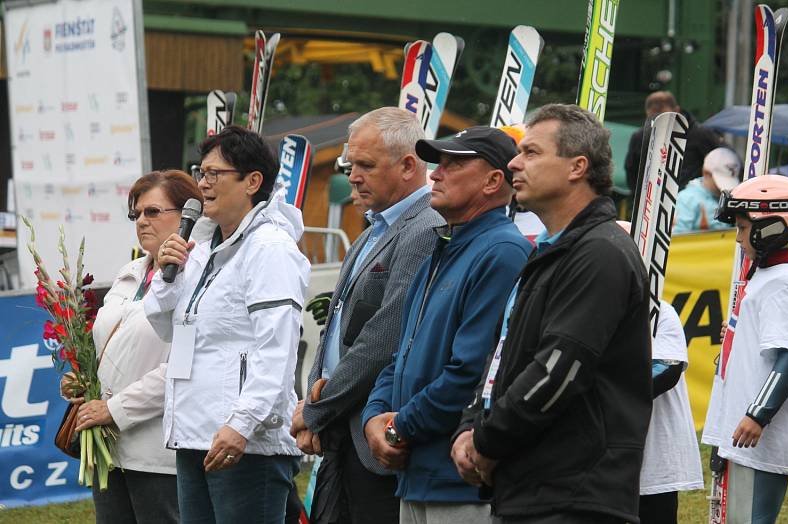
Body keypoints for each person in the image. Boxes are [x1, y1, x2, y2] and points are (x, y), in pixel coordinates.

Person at [451, 104, 652, 523]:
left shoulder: (599, 252)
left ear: (577, 167)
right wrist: (469, 427)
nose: (513, 162)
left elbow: (559, 370)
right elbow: (502, 357)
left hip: (575, 495)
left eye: (532, 152)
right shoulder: (548, 249)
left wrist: (486, 441)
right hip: (530, 488)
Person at [362, 126, 532, 524]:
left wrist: (397, 427)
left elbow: (471, 371)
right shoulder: (441, 249)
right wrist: (374, 417)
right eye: (438, 163)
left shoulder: (504, 251)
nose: (435, 173)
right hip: (416, 474)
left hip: (461, 481)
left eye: (453, 164)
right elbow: (398, 357)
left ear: (493, 180)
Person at [144, 125, 310, 524]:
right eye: (201, 172)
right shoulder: (204, 247)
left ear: (253, 181)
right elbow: (171, 331)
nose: (203, 183)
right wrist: (168, 274)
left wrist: (242, 423)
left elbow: (278, 348)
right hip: (194, 434)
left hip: (244, 444)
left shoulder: (270, 248)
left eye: (215, 174)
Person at [291, 107, 444, 524]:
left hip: (378, 437)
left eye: (365, 165)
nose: (351, 176)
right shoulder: (374, 230)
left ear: (409, 165)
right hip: (342, 429)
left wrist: (315, 410)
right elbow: (333, 333)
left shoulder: (424, 228)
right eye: (349, 164)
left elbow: (383, 339)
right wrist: (315, 404)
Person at [61, 170, 202, 523]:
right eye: (136, 213)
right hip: (109, 446)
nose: (141, 221)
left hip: (160, 449)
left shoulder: (199, 275)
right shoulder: (130, 273)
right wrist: (81, 380)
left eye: (153, 212)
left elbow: (184, 366)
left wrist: (115, 410)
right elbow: (109, 346)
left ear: (187, 216)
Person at [701, 175, 788, 523]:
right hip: (745, 436)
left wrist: (758, 414)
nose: (739, 238)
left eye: (743, 229)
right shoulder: (765, 277)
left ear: (771, 228)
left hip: (759, 437)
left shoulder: (784, 282)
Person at [615, 221, 704, 523]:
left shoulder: (660, 311)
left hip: (654, 454)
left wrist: (605, 394)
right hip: (606, 456)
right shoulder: (589, 308)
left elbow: (666, 371)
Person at [625, 91, 724, 191]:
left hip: (692, 199)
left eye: (665, 119)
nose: (660, 125)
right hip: (652, 199)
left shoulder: (700, 134)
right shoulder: (640, 138)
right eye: (654, 120)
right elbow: (632, 172)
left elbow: (725, 161)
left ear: (677, 110)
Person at [674, 147, 742, 234]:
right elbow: (676, 239)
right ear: (706, 173)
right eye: (720, 181)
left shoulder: (731, 197)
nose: (724, 188)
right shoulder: (687, 199)